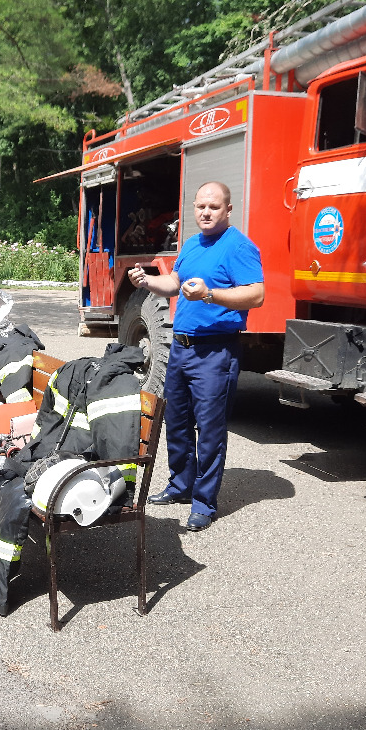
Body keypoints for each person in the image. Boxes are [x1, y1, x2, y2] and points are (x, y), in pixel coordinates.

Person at [126, 181, 264, 532]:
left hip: (216, 351)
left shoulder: (238, 246)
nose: (205, 212)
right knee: (178, 424)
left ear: (228, 210)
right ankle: (180, 485)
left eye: (213, 207)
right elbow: (173, 282)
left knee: (211, 429)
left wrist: (211, 295)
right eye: (200, 206)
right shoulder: (191, 244)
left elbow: (257, 294)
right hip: (182, 350)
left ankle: (203, 503)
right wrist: (146, 282)